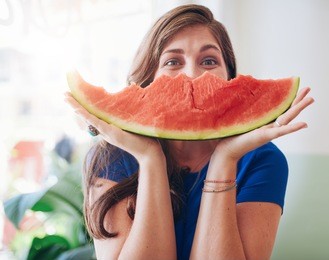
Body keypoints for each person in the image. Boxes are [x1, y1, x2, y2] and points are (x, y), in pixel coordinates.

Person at [65, 4, 314, 260]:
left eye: (209, 61)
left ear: (229, 77)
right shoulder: (112, 157)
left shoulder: (262, 160)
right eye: (173, 61)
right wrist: (150, 159)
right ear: (149, 79)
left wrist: (225, 158)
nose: (192, 75)